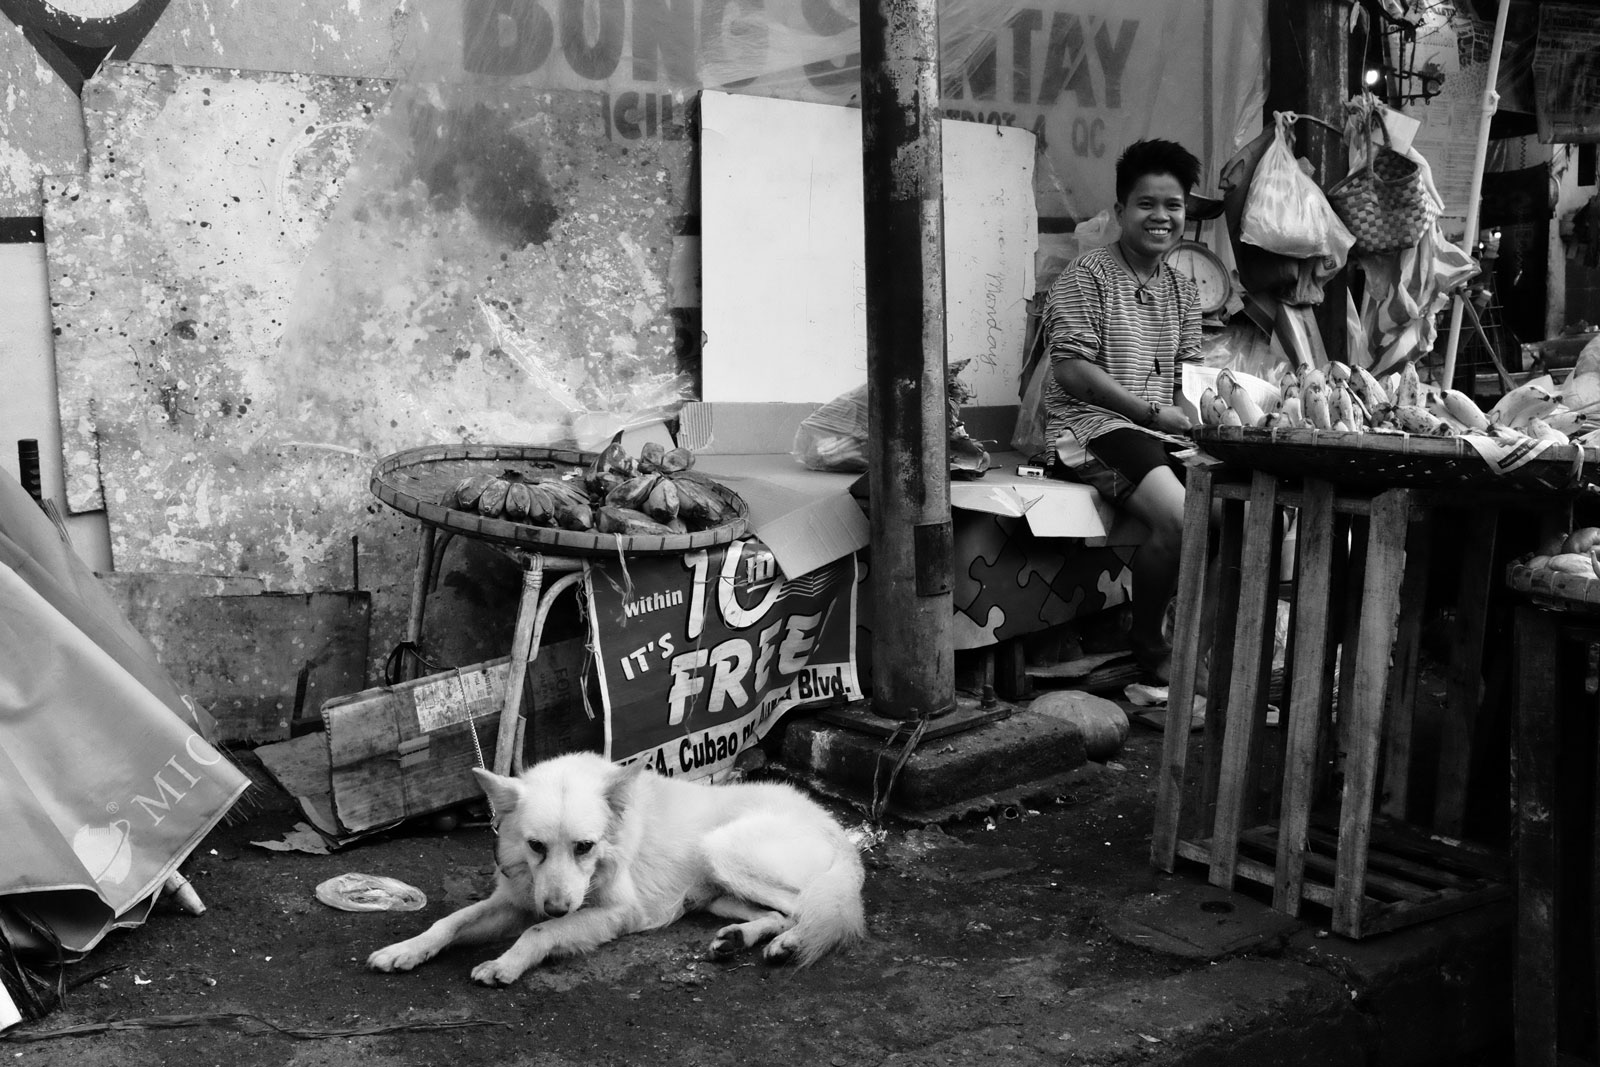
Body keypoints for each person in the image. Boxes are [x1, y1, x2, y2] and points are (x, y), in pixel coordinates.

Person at [1039, 139, 1203, 684]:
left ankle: (1186, 635)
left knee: (1225, 508)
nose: (1161, 217)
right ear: (1120, 211)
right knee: (1181, 518)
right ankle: (1148, 642)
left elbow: (1189, 376)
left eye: (1173, 205)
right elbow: (1069, 370)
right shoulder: (1087, 275)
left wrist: (1196, 419)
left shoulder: (1183, 289)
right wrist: (1151, 414)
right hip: (1086, 427)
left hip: (1151, 430)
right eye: (1146, 204)